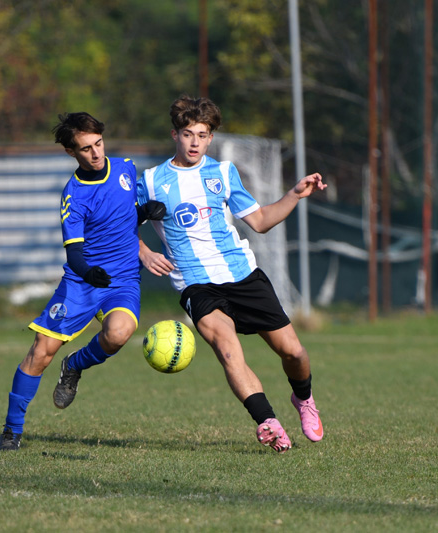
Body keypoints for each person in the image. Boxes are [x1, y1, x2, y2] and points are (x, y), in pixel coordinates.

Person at [137, 95, 327, 454]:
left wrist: (294, 194)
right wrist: (144, 251)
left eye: (202, 135)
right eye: (188, 134)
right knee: (227, 350)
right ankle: (268, 422)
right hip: (195, 284)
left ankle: (303, 399)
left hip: (242, 275)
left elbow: (260, 221)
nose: (195, 142)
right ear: (175, 134)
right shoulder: (150, 181)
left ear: (211, 138)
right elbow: (118, 225)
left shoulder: (223, 173)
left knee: (294, 353)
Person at [0, 112, 165, 451]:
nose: (96, 152)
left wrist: (145, 212)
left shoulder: (125, 168)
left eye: (98, 143)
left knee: (118, 334)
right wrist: (88, 272)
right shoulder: (73, 196)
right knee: (41, 352)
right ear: (71, 152)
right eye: (86, 148)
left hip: (122, 279)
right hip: (82, 282)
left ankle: (74, 365)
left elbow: (123, 215)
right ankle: (12, 431)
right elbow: (74, 253)